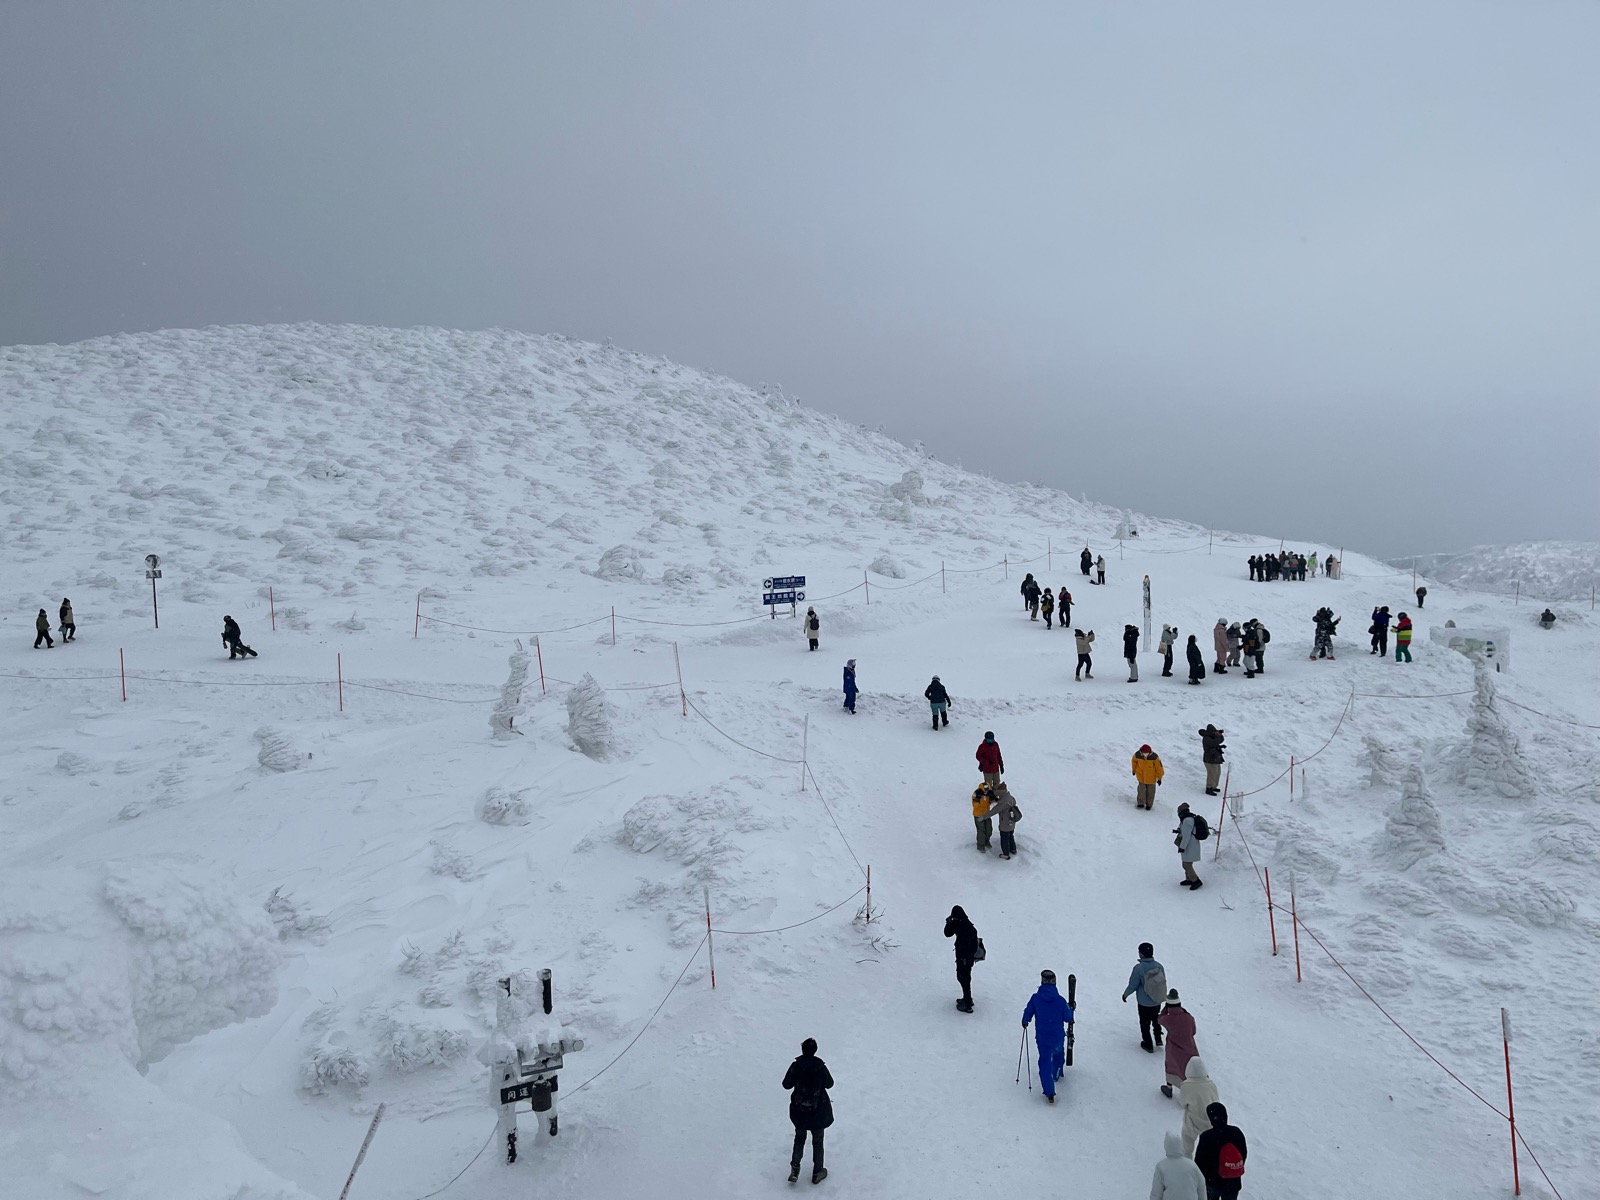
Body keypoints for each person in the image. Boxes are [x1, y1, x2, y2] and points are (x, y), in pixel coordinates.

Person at [782, 1038, 833, 1185]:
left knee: (799, 1138)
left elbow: (786, 1085)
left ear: (802, 1049)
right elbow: (830, 1084)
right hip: (818, 1111)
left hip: (800, 1111)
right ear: (815, 1050)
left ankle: (795, 1168)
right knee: (818, 1141)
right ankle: (818, 1172)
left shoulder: (796, 1066)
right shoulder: (820, 1067)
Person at [1021, 969, 1073, 1103]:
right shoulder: (1060, 1001)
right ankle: (1056, 1073)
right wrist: (1071, 1009)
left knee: (1044, 1060)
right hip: (1057, 1035)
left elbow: (1028, 1011)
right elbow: (1067, 1018)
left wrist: (1025, 1020)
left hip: (1043, 1037)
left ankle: (1049, 1091)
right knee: (1058, 1053)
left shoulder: (1036, 999)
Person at [1195, 1102, 1248, 1200]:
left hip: (1213, 1183)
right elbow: (1243, 1155)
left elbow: (1199, 1162)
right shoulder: (1237, 1132)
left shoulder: (1206, 1136)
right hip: (1233, 1182)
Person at [1122, 942, 1168, 1053]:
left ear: (1141, 954)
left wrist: (1125, 994)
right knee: (1156, 1019)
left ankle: (1148, 1044)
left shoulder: (1139, 968)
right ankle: (1158, 1038)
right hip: (1157, 1000)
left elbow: (1133, 985)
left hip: (1144, 1002)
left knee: (1144, 1022)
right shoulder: (1159, 966)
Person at [1158, 989, 1198, 1096]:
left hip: (1174, 1049)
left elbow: (1159, 1019)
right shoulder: (1188, 1017)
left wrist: (1165, 1009)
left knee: (1172, 1067)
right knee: (1189, 1069)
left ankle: (1169, 1087)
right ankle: (1192, 1088)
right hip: (1190, 1048)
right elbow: (1193, 1031)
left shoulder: (1168, 1019)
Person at [1178, 1057, 1221, 1156]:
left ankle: (1187, 1157)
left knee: (1187, 1139)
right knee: (1209, 1145)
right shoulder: (1211, 1084)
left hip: (1192, 1121)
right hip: (1209, 1120)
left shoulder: (1186, 1085)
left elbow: (1182, 1103)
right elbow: (1216, 1101)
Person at [1149, 1132, 1206, 1200]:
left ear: (1166, 1145)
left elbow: (1156, 1194)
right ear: (1180, 1145)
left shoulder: (1161, 1166)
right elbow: (1201, 1187)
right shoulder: (1192, 1166)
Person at [944, 905, 979, 1012]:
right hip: (967, 958)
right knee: (965, 978)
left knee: (963, 978)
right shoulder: (967, 925)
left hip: (963, 958)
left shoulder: (963, 926)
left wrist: (949, 922)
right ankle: (967, 999)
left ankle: (967, 1005)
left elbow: (947, 933)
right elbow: (948, 933)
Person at [987, 782, 1023, 859]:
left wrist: (983, 817)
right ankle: (1013, 849)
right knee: (1011, 836)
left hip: (1005, 823)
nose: (995, 792)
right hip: (1011, 822)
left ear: (1001, 792)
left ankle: (1006, 854)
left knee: (1004, 838)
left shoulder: (1003, 801)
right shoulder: (1010, 797)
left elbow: (994, 810)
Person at [1174, 803, 1203, 889]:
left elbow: (1186, 836)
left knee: (1187, 864)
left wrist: (1182, 847)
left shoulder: (1187, 821)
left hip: (1190, 846)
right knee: (1185, 863)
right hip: (1190, 845)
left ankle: (1196, 881)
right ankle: (1189, 878)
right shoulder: (1189, 818)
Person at [1131, 744, 1164, 810]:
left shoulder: (1155, 757)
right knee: (1141, 791)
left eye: (1147, 753)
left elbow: (1159, 768)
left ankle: (1149, 805)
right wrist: (1134, 770)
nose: (1145, 754)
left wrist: (1159, 778)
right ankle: (1141, 803)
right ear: (1141, 751)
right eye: (1144, 753)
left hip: (1151, 779)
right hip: (1141, 777)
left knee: (1151, 792)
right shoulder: (1137, 755)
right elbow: (1134, 762)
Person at [1198, 725, 1225, 796]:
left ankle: (1214, 786)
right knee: (1212, 774)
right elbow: (1214, 743)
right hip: (1209, 759)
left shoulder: (1213, 737)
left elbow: (1221, 740)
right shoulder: (1206, 738)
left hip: (1216, 759)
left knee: (1217, 773)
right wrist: (1218, 736)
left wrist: (1220, 735)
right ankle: (1209, 788)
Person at [970, 784, 995, 852]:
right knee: (981, 830)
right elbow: (975, 806)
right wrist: (978, 799)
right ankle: (980, 845)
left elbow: (991, 802)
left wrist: (993, 798)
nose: (986, 792)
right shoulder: (976, 794)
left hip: (986, 814)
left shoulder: (988, 794)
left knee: (989, 829)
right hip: (978, 815)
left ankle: (986, 841)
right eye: (985, 791)